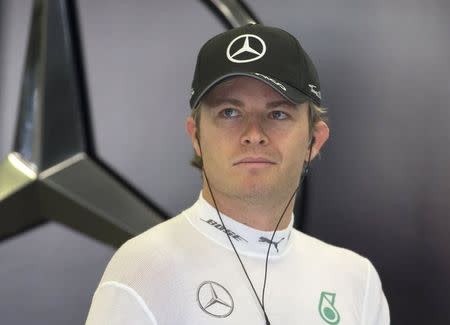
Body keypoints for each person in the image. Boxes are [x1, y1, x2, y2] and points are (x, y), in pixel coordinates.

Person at [85, 23, 389, 324]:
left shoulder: (356, 281)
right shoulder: (142, 271)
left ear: (314, 140)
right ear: (196, 136)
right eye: (229, 112)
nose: (253, 134)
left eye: (278, 114)